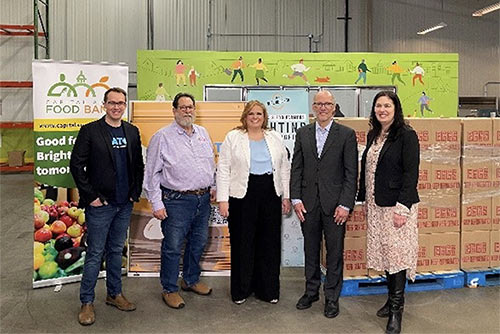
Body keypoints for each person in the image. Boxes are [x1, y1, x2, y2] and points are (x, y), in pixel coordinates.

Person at [70, 87, 144, 326]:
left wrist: (134, 193)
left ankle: (114, 294)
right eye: (112, 103)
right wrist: (91, 196)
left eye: (121, 103)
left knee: (115, 251)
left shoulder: (131, 131)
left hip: (124, 204)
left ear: (125, 105)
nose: (116, 107)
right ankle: (87, 302)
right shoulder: (90, 131)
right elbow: (76, 165)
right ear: (104, 105)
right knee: (94, 254)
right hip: (100, 205)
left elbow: (138, 166)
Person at [143, 92, 216, 310]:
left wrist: (213, 187)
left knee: (198, 243)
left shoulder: (203, 133)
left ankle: (191, 280)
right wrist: (156, 203)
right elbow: (151, 173)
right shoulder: (162, 137)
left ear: (195, 110)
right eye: (182, 107)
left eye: (190, 107)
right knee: (173, 247)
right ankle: (169, 288)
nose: (187, 111)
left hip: (202, 200)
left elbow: (210, 164)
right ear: (174, 111)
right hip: (176, 201)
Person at [290, 90, 358, 318]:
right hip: (307, 205)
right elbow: (296, 168)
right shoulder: (303, 133)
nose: (322, 108)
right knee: (310, 250)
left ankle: (331, 297)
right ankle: (311, 292)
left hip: (336, 206)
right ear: (313, 107)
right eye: (318, 104)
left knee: (334, 253)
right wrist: (296, 199)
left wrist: (346, 204)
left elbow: (351, 173)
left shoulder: (346, 135)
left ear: (334, 107)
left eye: (327, 104)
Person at [216, 100, 291, 305]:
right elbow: (223, 168)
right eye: (251, 114)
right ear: (245, 117)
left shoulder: (275, 137)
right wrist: (223, 199)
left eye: (259, 114)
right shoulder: (233, 137)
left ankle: (267, 290)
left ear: (264, 116)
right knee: (243, 242)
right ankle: (241, 290)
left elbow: (284, 168)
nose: (255, 117)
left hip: (270, 192)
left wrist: (286, 196)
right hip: (242, 195)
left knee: (269, 243)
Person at [357, 91, 420, 334]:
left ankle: (396, 310)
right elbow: (369, 169)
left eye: (387, 106)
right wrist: (362, 199)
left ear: (396, 108)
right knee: (385, 253)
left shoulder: (406, 135)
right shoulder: (374, 134)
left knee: (397, 256)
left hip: (397, 207)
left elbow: (410, 173)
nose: (382, 110)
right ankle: (389, 300)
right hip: (376, 205)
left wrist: (403, 208)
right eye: (378, 106)